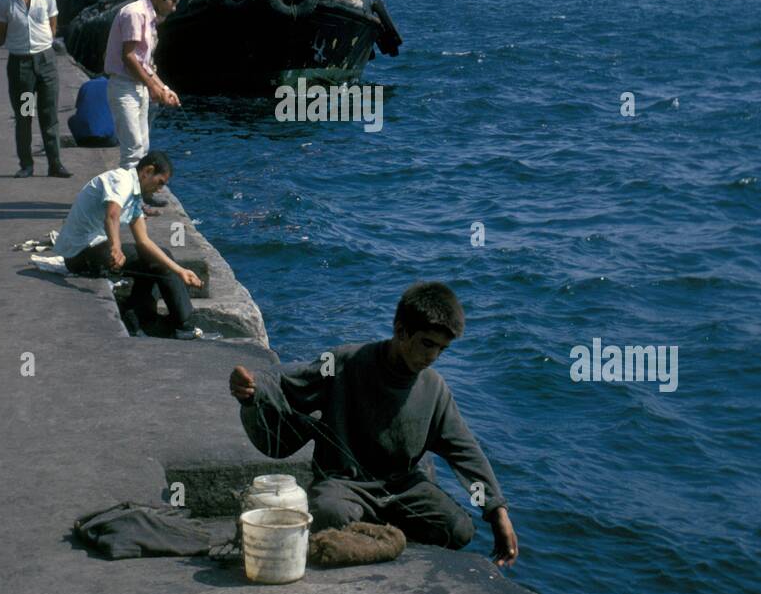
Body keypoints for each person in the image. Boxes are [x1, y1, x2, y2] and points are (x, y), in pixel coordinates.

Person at [229, 281, 519, 564]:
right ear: (401, 331)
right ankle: (377, 531)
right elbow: (287, 378)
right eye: (427, 344)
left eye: (442, 349)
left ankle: (371, 531)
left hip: (404, 488)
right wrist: (253, 388)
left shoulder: (434, 388)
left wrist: (496, 512)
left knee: (458, 529)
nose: (432, 357)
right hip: (346, 483)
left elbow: (465, 451)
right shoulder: (345, 361)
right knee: (328, 513)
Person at [56, 150, 203, 339]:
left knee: (154, 258)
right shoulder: (122, 180)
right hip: (80, 254)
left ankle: (139, 320)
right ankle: (185, 325)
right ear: (147, 171)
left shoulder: (134, 197)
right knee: (155, 262)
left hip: (91, 251)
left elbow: (144, 241)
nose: (159, 190)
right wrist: (116, 247)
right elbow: (112, 214)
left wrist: (180, 270)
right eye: (160, 183)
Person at [0, 0, 72, 179]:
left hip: (45, 63)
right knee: (25, 115)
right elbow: (0, 35)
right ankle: (26, 164)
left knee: (49, 114)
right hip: (22, 68)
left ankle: (55, 163)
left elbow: (53, 25)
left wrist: (41, 44)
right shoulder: (4, 1)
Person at [103, 0, 181, 208]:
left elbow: (145, 64)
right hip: (124, 86)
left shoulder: (149, 18)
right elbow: (129, 58)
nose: (174, 8)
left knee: (142, 146)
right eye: (172, 1)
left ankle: (137, 198)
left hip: (137, 86)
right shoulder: (135, 14)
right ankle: (128, 204)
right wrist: (152, 86)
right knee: (132, 149)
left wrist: (164, 88)